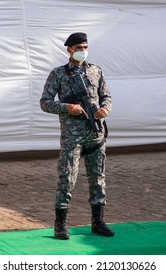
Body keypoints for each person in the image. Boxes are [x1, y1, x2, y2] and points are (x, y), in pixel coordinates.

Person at [40, 32, 114, 240]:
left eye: (85, 47)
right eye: (79, 47)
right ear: (69, 49)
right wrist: (67, 107)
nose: (83, 51)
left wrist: (105, 109)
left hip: (95, 133)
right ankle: (60, 224)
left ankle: (98, 222)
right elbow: (45, 102)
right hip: (72, 137)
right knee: (67, 178)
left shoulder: (95, 71)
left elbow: (106, 96)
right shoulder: (58, 74)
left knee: (98, 178)